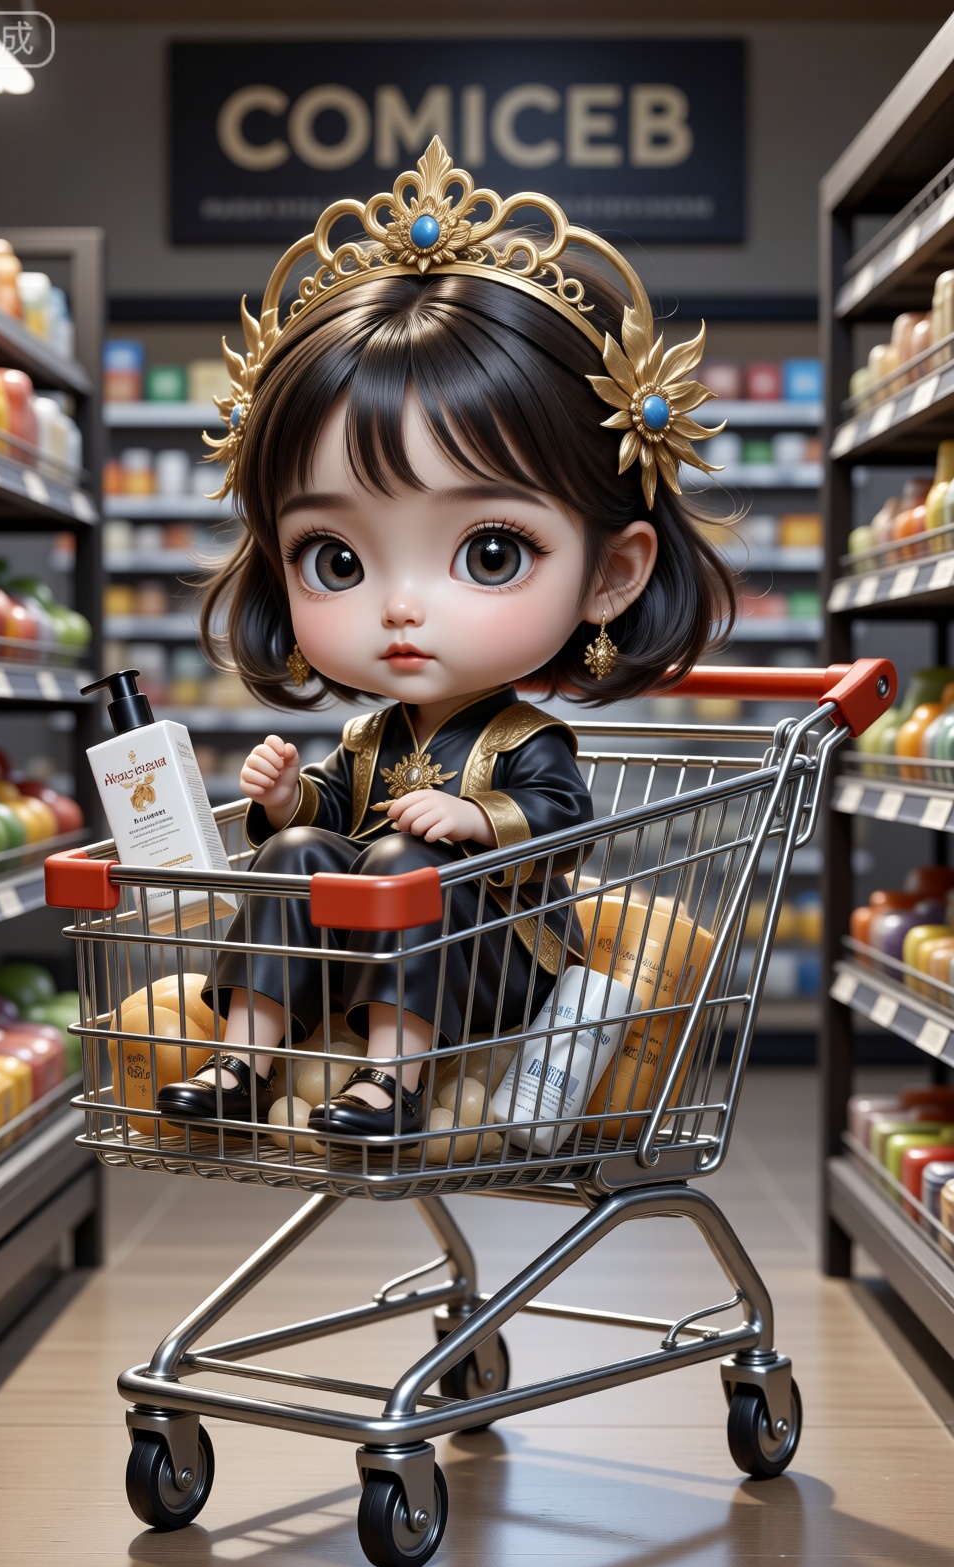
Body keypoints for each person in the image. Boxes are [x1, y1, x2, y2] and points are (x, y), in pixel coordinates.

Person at [156, 139, 735, 1143]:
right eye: (337, 558)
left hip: (492, 950)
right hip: (358, 947)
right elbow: (340, 810)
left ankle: (396, 1080)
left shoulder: (525, 741)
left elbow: (560, 823)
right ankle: (244, 1058)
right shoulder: (373, 735)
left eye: (493, 551)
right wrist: (294, 799)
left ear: (611, 573)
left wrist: (481, 821)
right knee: (297, 855)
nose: (401, 607)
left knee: (403, 869)